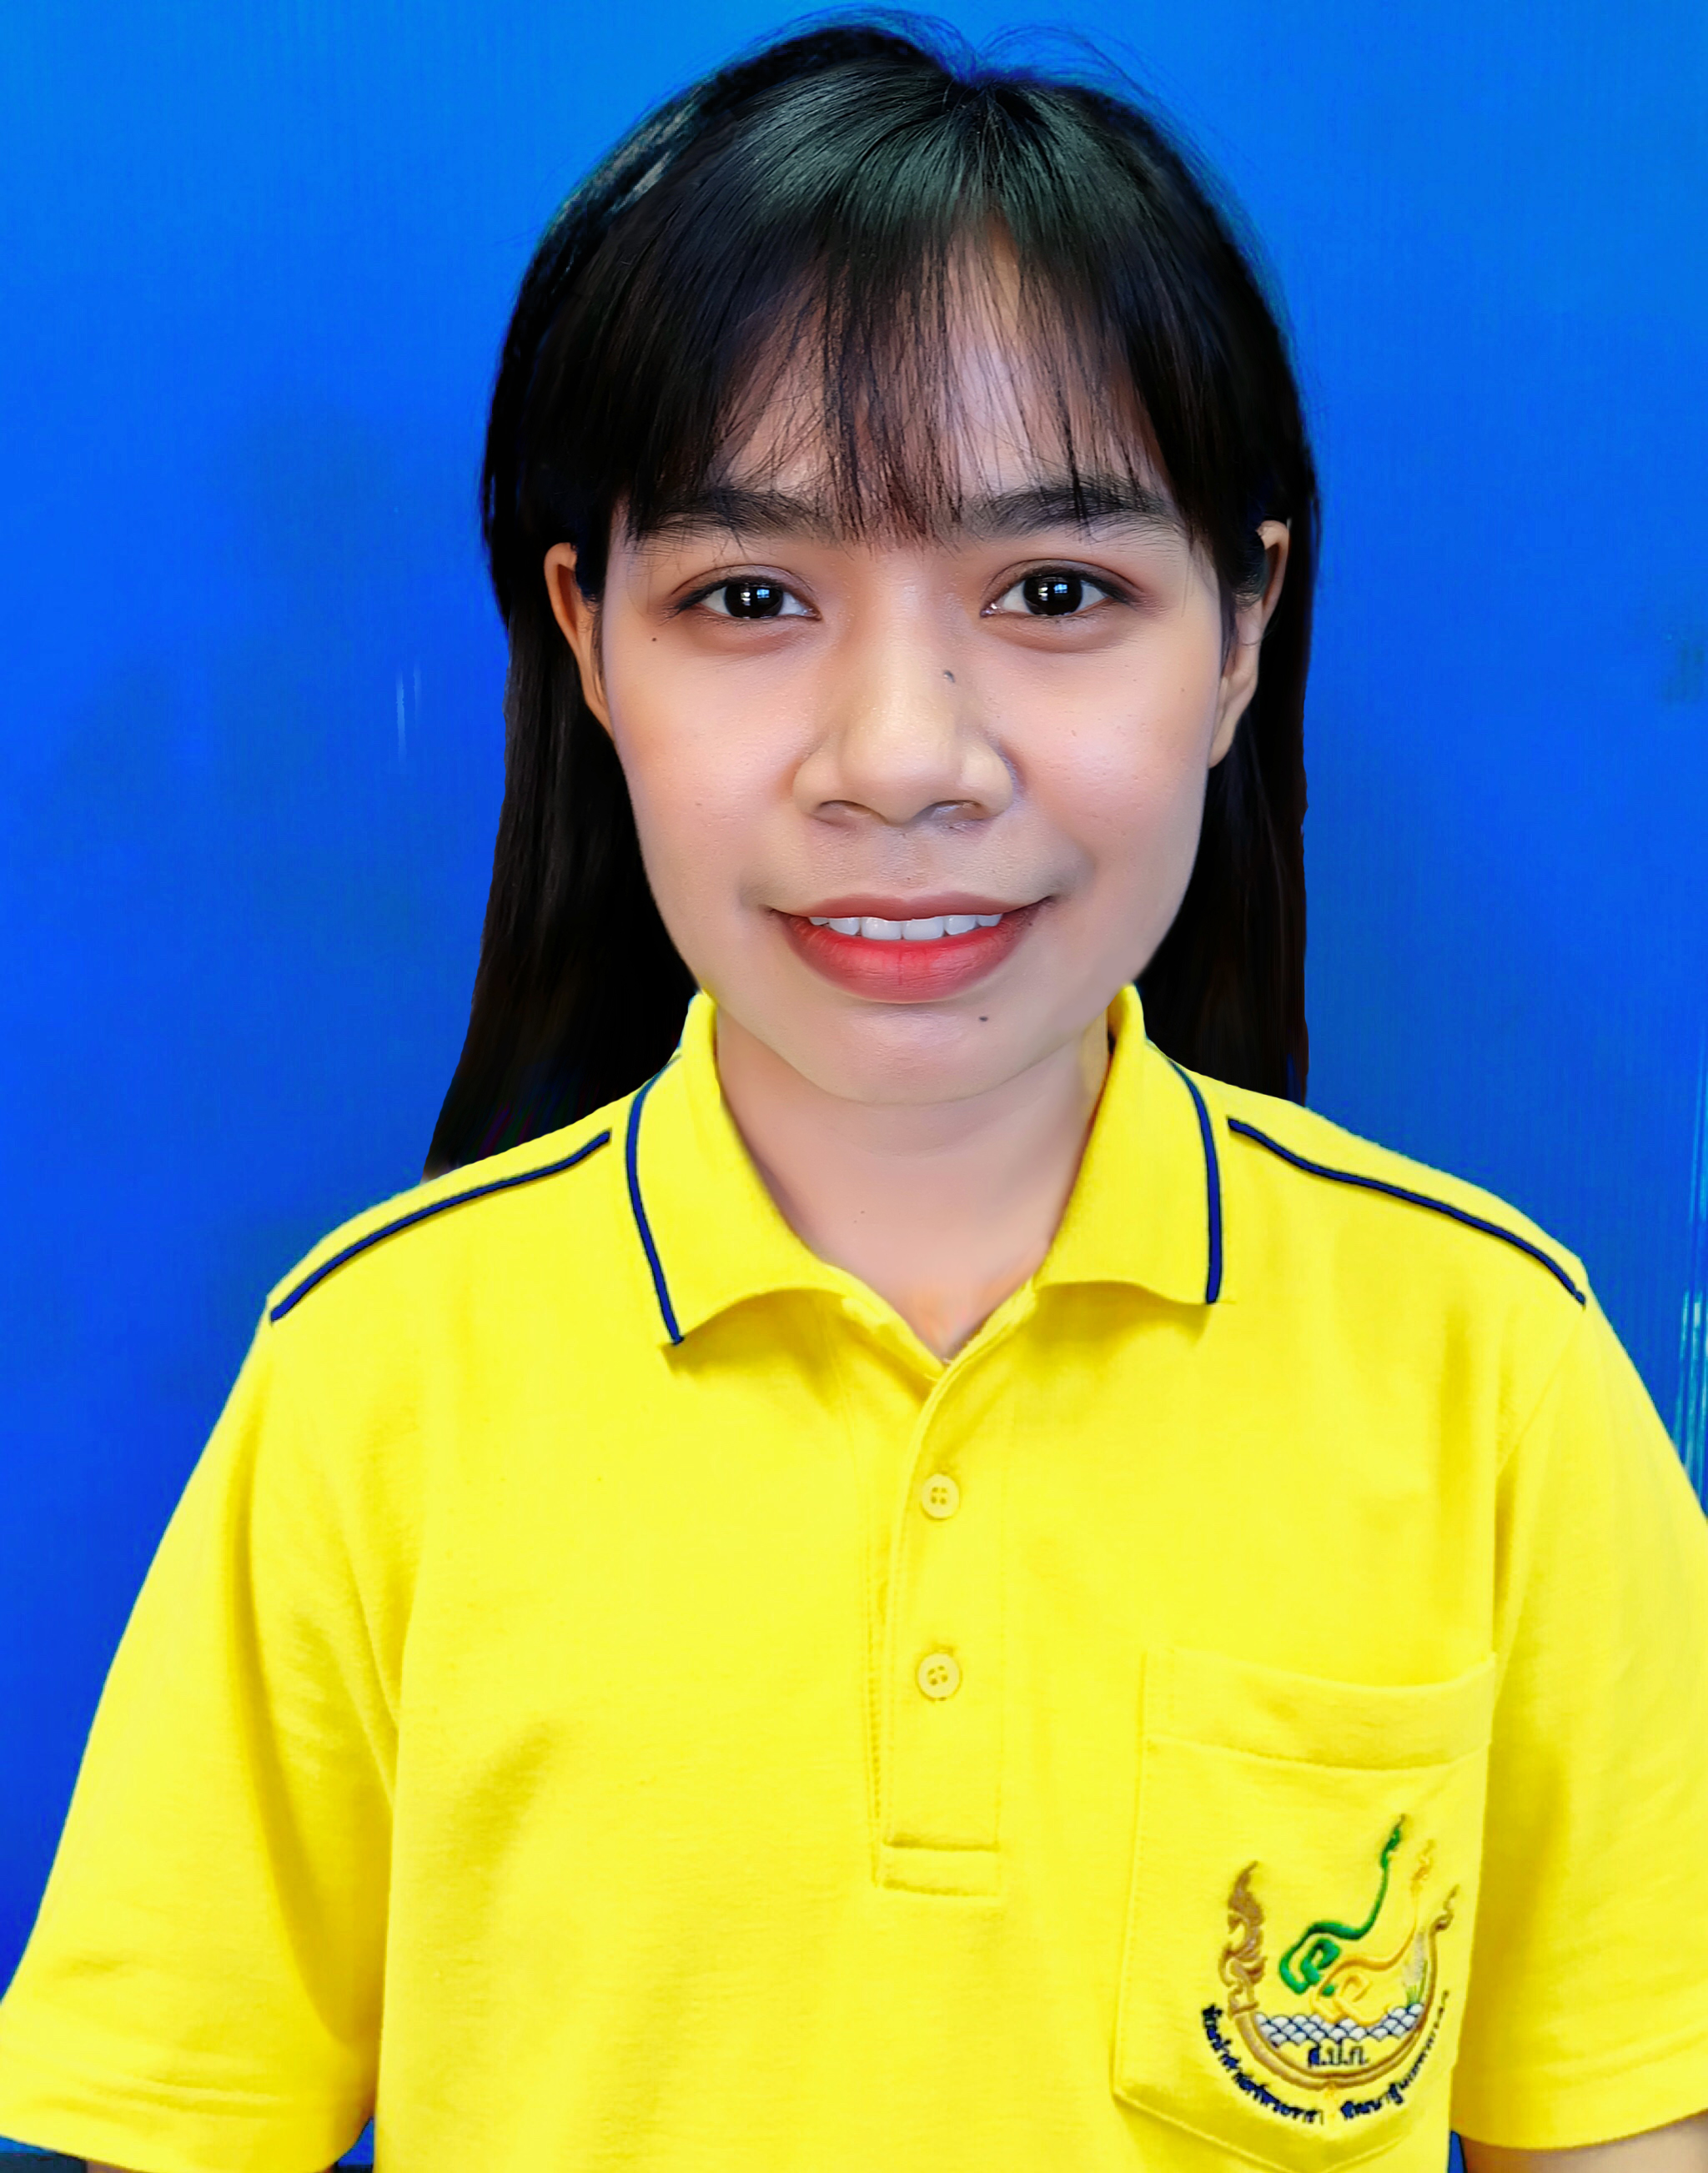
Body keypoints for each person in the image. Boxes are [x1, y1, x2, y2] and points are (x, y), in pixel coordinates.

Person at [2, 20, 1705, 2172]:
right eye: (751, 596)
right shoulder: (374, 1391)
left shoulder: (1491, 1384)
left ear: (1244, 630)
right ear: (588, 637)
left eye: (1057, 591)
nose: (902, 758)